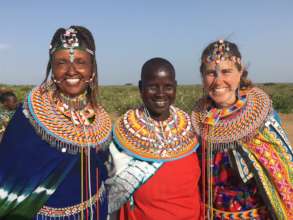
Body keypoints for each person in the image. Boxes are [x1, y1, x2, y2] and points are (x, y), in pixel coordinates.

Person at [0, 26, 112, 220]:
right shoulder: (30, 115)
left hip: (96, 211)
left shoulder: (99, 115)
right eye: (61, 62)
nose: (71, 71)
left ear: (92, 68)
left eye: (80, 62)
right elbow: (9, 174)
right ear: (52, 67)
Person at [191, 40, 293, 219]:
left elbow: (282, 176)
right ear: (203, 78)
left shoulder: (260, 117)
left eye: (226, 71)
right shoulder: (198, 120)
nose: (218, 80)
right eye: (210, 73)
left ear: (240, 73)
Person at [106, 57, 201, 220]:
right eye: (152, 87)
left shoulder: (192, 130)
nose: (160, 93)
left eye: (168, 87)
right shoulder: (122, 136)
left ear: (176, 88)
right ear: (141, 88)